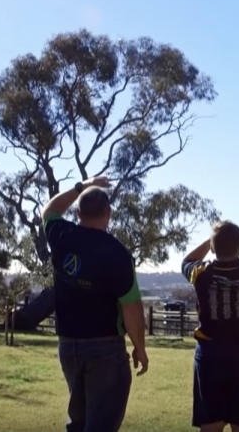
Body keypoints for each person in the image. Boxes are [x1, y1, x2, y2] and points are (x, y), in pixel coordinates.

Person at [41, 175, 149, 432]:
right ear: (108, 213)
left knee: (78, 423)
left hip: (68, 346)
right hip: (106, 349)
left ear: (78, 213)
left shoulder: (61, 235)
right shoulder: (118, 254)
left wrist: (83, 185)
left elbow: (50, 210)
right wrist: (140, 348)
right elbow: (131, 308)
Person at [181, 221, 239, 432]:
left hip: (210, 356)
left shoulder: (200, 272)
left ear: (213, 248)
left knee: (211, 424)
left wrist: (212, 241)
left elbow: (186, 261)